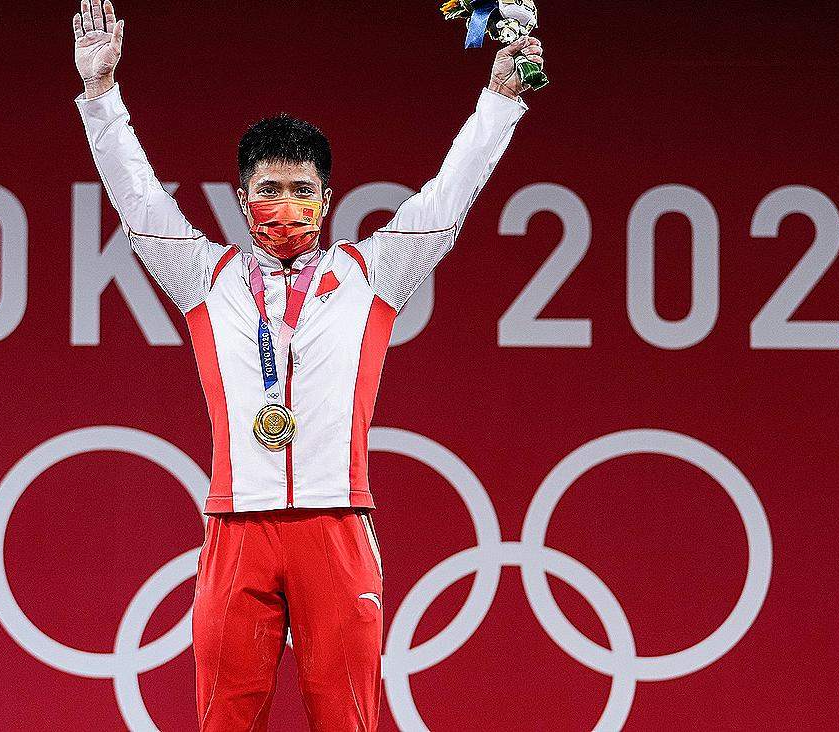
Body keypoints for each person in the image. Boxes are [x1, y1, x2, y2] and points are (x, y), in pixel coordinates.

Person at [71, 1, 543, 729]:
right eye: (268, 190)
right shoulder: (205, 279)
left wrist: (502, 98)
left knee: (347, 723)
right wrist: (102, 95)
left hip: (337, 525)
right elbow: (138, 203)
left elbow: (450, 197)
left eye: (300, 190)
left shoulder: (373, 274)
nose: (284, 205)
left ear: (326, 198)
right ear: (241, 200)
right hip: (236, 529)